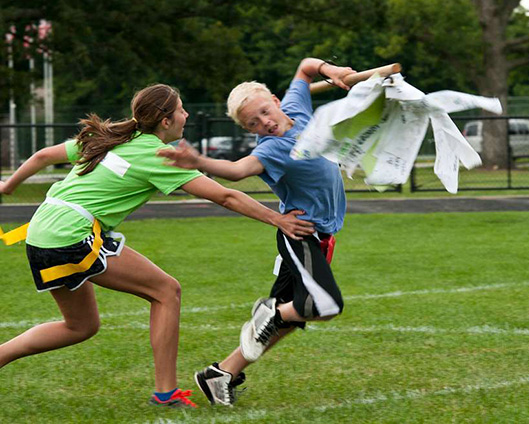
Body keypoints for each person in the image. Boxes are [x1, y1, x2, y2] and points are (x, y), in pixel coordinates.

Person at [0, 84, 315, 408]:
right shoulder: (156, 156)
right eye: (180, 109)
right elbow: (225, 195)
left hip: (42, 231)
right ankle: (166, 394)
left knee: (81, 326)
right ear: (165, 120)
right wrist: (279, 219)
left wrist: (8, 186)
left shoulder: (112, 138)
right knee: (166, 291)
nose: (186, 114)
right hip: (71, 234)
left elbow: (41, 156)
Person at [158, 58, 356, 406]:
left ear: (277, 102)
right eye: (254, 123)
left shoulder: (297, 106)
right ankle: (272, 310)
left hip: (321, 236)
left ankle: (220, 375)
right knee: (324, 305)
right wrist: (201, 163)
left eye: (266, 112)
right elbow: (237, 170)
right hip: (300, 234)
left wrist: (332, 72)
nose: (265, 123)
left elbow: (306, 67)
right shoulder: (272, 147)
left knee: (291, 320)